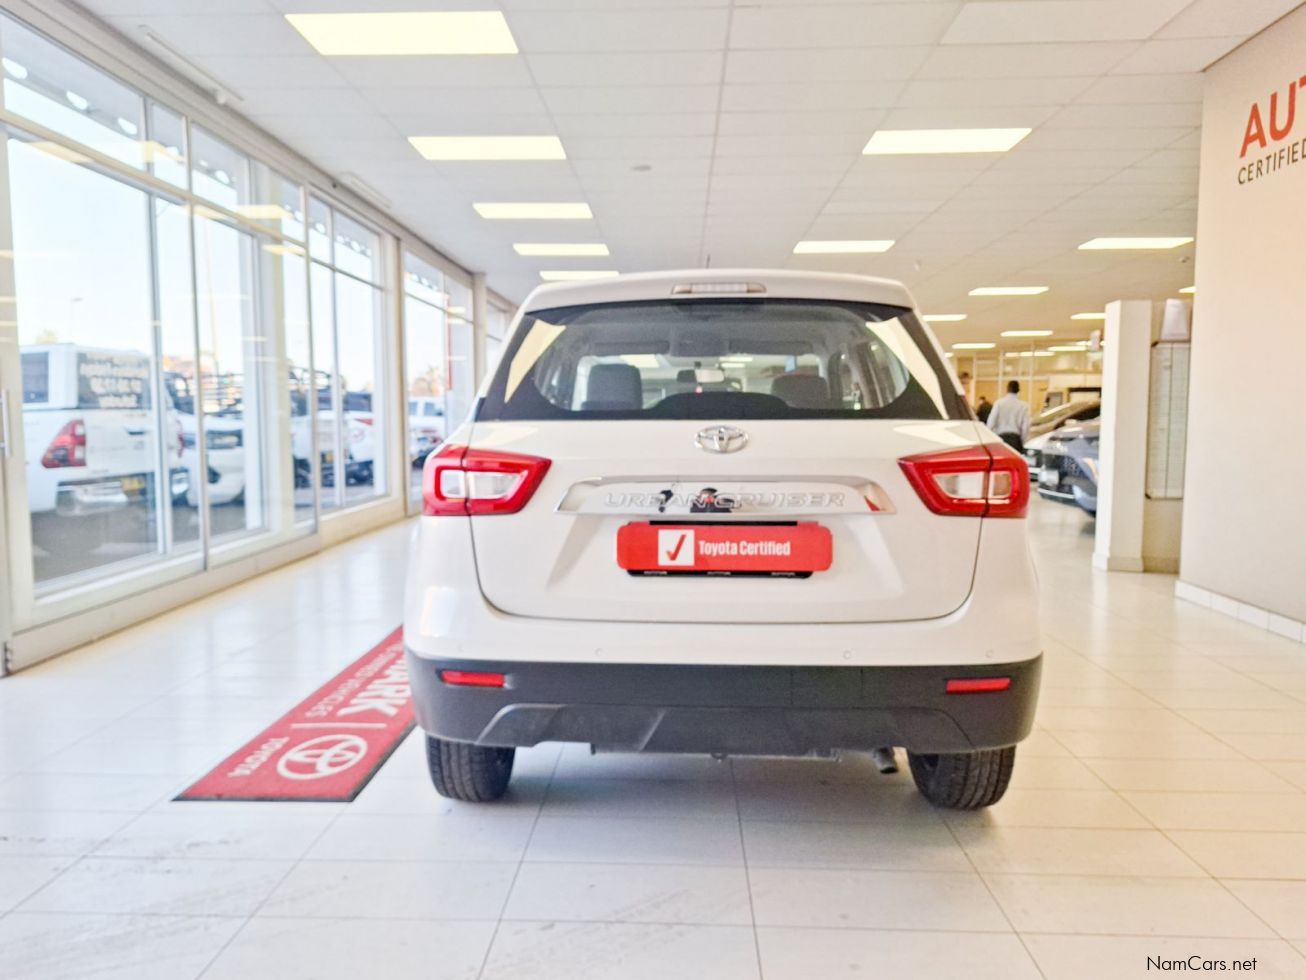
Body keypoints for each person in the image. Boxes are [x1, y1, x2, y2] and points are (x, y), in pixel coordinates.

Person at [986, 380, 1029, 454]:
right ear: (1018, 390)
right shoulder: (1024, 405)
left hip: (1001, 438)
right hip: (1015, 439)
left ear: (1007, 389)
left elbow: (991, 422)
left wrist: (990, 438)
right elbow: (1026, 426)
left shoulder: (999, 403)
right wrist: (1022, 441)